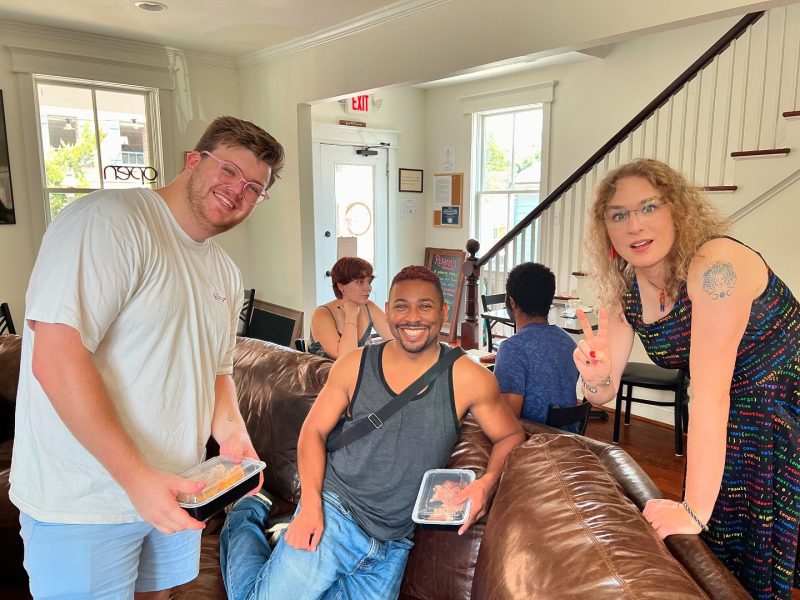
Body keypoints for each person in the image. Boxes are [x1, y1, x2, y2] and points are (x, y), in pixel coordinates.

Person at [10, 116, 285, 599]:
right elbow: (55, 359)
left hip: (177, 490)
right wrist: (137, 479)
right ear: (193, 160)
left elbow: (216, 370)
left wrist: (233, 436)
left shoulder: (224, 271)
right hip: (86, 501)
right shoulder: (108, 220)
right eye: (229, 170)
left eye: (253, 188)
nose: (237, 191)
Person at [220, 265, 524, 600]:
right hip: (334, 513)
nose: (412, 317)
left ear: (443, 311)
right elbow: (313, 431)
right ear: (388, 310)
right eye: (401, 306)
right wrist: (310, 507)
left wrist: (487, 483)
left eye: (424, 306)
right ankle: (245, 512)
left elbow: (510, 436)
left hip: (393, 545)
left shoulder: (469, 378)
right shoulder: (353, 365)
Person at [575, 158, 799, 600]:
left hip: (783, 410)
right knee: (728, 558)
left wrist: (693, 509)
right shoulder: (625, 293)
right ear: (606, 231)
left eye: (649, 207)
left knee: (752, 545)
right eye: (618, 215)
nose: (634, 225)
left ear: (676, 209)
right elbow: (603, 394)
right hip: (734, 422)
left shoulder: (717, 265)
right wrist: (593, 378)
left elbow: (710, 396)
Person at [493, 262, 580, 432]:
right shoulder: (569, 342)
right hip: (569, 438)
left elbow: (508, 419)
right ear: (549, 301)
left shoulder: (512, 348)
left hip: (533, 440)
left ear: (511, 302)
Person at [308, 256, 393, 359]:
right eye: (360, 282)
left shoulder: (369, 307)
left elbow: (396, 341)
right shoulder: (321, 314)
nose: (369, 288)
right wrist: (351, 316)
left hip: (362, 369)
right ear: (341, 286)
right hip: (331, 369)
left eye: (369, 282)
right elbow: (345, 358)